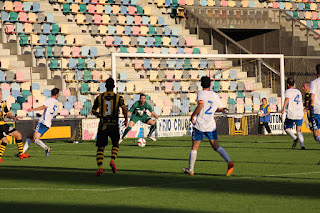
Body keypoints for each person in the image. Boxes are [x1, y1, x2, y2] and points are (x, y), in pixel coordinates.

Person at [182, 76, 234, 176]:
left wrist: (193, 115)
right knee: (216, 146)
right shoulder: (215, 95)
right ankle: (228, 162)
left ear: (201, 84)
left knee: (195, 147)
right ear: (210, 84)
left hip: (200, 124)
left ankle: (191, 169)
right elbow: (220, 109)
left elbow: (200, 105)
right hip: (211, 125)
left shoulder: (200, 93)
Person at [92, 78, 128, 176]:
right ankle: (112, 161)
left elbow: (93, 110)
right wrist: (126, 119)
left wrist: (99, 115)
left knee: (101, 147)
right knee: (115, 144)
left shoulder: (100, 97)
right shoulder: (118, 98)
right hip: (114, 125)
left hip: (103, 125)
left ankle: (100, 169)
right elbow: (124, 108)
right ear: (114, 86)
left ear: (105, 86)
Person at [23, 88, 60, 157]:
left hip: (43, 122)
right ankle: (22, 153)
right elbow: (53, 113)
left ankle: (46, 148)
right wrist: (42, 115)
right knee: (29, 136)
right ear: (57, 94)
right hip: (48, 124)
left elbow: (43, 107)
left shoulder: (49, 100)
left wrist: (33, 109)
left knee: (35, 139)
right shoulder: (57, 103)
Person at [0, 90, 29, 162]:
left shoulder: (3, 103)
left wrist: (13, 117)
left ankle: (21, 154)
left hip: (4, 124)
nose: (2, 94)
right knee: (5, 140)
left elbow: (7, 112)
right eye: (0, 93)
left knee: (18, 135)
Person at [281, 78, 305, 149]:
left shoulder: (287, 91)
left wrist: (283, 108)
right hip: (300, 113)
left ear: (288, 84)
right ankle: (302, 145)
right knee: (299, 130)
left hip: (292, 113)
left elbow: (287, 99)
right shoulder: (298, 91)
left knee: (286, 128)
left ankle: (295, 138)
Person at [310, 64, 320, 145]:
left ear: (316, 72)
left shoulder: (314, 83)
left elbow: (312, 97)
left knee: (316, 135)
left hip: (317, 110)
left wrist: (308, 107)